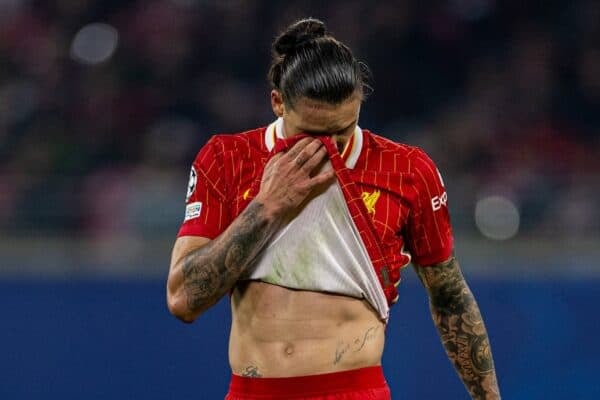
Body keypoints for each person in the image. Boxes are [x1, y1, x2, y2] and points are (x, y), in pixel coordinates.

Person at [166, 18, 501, 400]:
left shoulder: (407, 170)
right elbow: (184, 300)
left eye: (343, 130)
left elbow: (450, 297)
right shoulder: (228, 159)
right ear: (278, 102)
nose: (329, 148)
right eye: (312, 134)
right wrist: (267, 207)